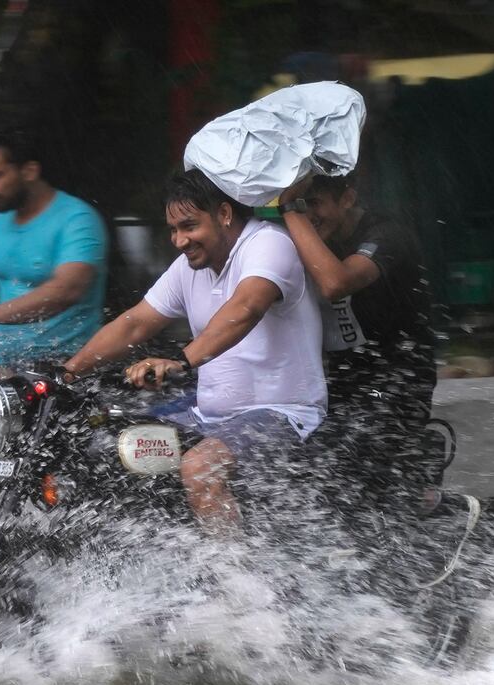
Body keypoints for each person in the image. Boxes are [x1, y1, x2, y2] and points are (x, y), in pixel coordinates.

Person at [62, 168, 326, 532]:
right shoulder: (190, 267)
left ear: (224, 214)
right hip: (208, 418)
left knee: (200, 466)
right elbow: (135, 323)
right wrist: (69, 372)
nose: (179, 240)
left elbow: (245, 308)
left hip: (283, 414)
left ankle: (237, 583)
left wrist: (181, 361)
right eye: (173, 230)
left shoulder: (267, 243)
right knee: (111, 451)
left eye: (189, 226)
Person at [276, 172, 440, 499]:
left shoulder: (387, 234)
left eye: (313, 204)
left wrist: (289, 209)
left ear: (348, 198)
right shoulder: (310, 236)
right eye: (300, 205)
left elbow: (336, 282)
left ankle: (481, 516)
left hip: (398, 376)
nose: (307, 215)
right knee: (334, 480)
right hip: (343, 377)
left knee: (363, 475)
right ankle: (418, 490)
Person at [0, 128, 108, 366]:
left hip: (66, 369)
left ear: (29, 171)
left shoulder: (78, 219)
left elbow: (66, 290)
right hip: (3, 366)